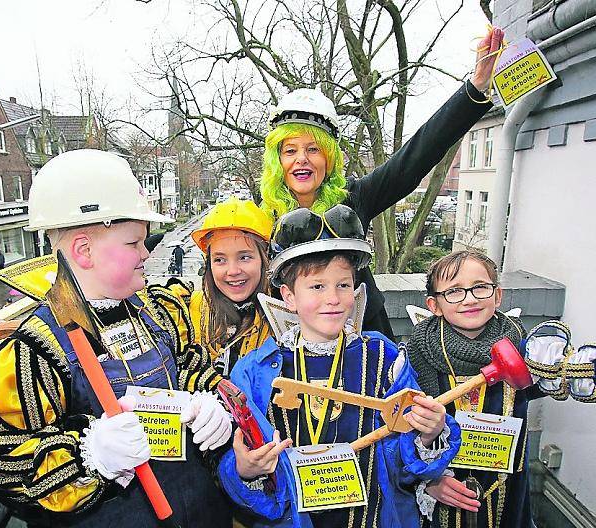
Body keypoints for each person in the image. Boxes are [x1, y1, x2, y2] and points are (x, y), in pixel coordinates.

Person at [0, 149, 234, 527]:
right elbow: (12, 469)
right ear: (84, 250)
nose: (146, 253)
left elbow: (190, 367)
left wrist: (208, 402)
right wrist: (90, 454)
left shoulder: (156, 311)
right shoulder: (34, 352)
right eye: (134, 243)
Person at [405, 249, 596, 528]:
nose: (470, 298)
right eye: (455, 291)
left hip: (508, 503)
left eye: (480, 287)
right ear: (434, 304)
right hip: (433, 508)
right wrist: (428, 481)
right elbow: (392, 440)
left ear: (497, 296)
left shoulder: (529, 353)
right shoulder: (411, 360)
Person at [218, 205, 459, 527]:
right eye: (317, 286)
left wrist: (428, 435)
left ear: (356, 291)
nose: (333, 298)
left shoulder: (385, 359)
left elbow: (403, 464)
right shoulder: (256, 372)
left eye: (343, 285)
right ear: (289, 297)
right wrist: (245, 470)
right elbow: (248, 472)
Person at [258, 27, 504, 339]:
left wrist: (475, 89)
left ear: (329, 157)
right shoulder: (261, 214)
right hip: (293, 345)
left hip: (365, 339)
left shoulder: (356, 198)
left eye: (313, 149)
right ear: (277, 160)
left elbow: (417, 156)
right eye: (290, 151)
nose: (301, 160)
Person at [167, 197, 274, 377]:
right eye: (220, 260)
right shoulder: (184, 314)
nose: (232, 271)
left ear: (265, 260)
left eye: (244, 257)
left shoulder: (283, 318)